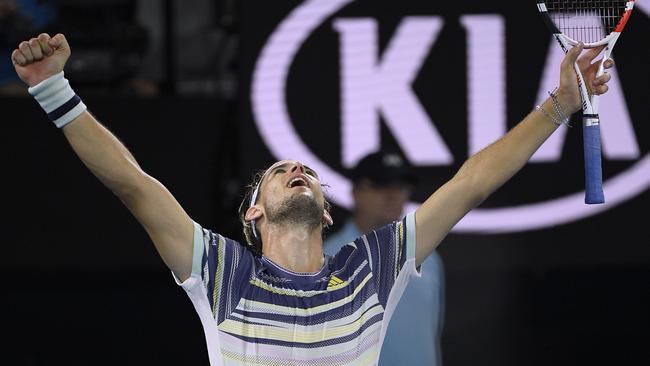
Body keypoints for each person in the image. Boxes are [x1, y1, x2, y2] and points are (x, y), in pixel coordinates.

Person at [11, 32, 614, 365]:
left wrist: (558, 105)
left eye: (307, 171)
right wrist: (56, 92)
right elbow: (133, 184)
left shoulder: (373, 268)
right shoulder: (222, 272)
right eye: (280, 170)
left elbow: (471, 183)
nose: (298, 169)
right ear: (253, 211)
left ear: (327, 211)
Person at [324, 150, 445, 366]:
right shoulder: (325, 259)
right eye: (379, 185)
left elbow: (431, 332)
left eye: (400, 186)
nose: (392, 194)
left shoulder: (430, 257)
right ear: (355, 192)